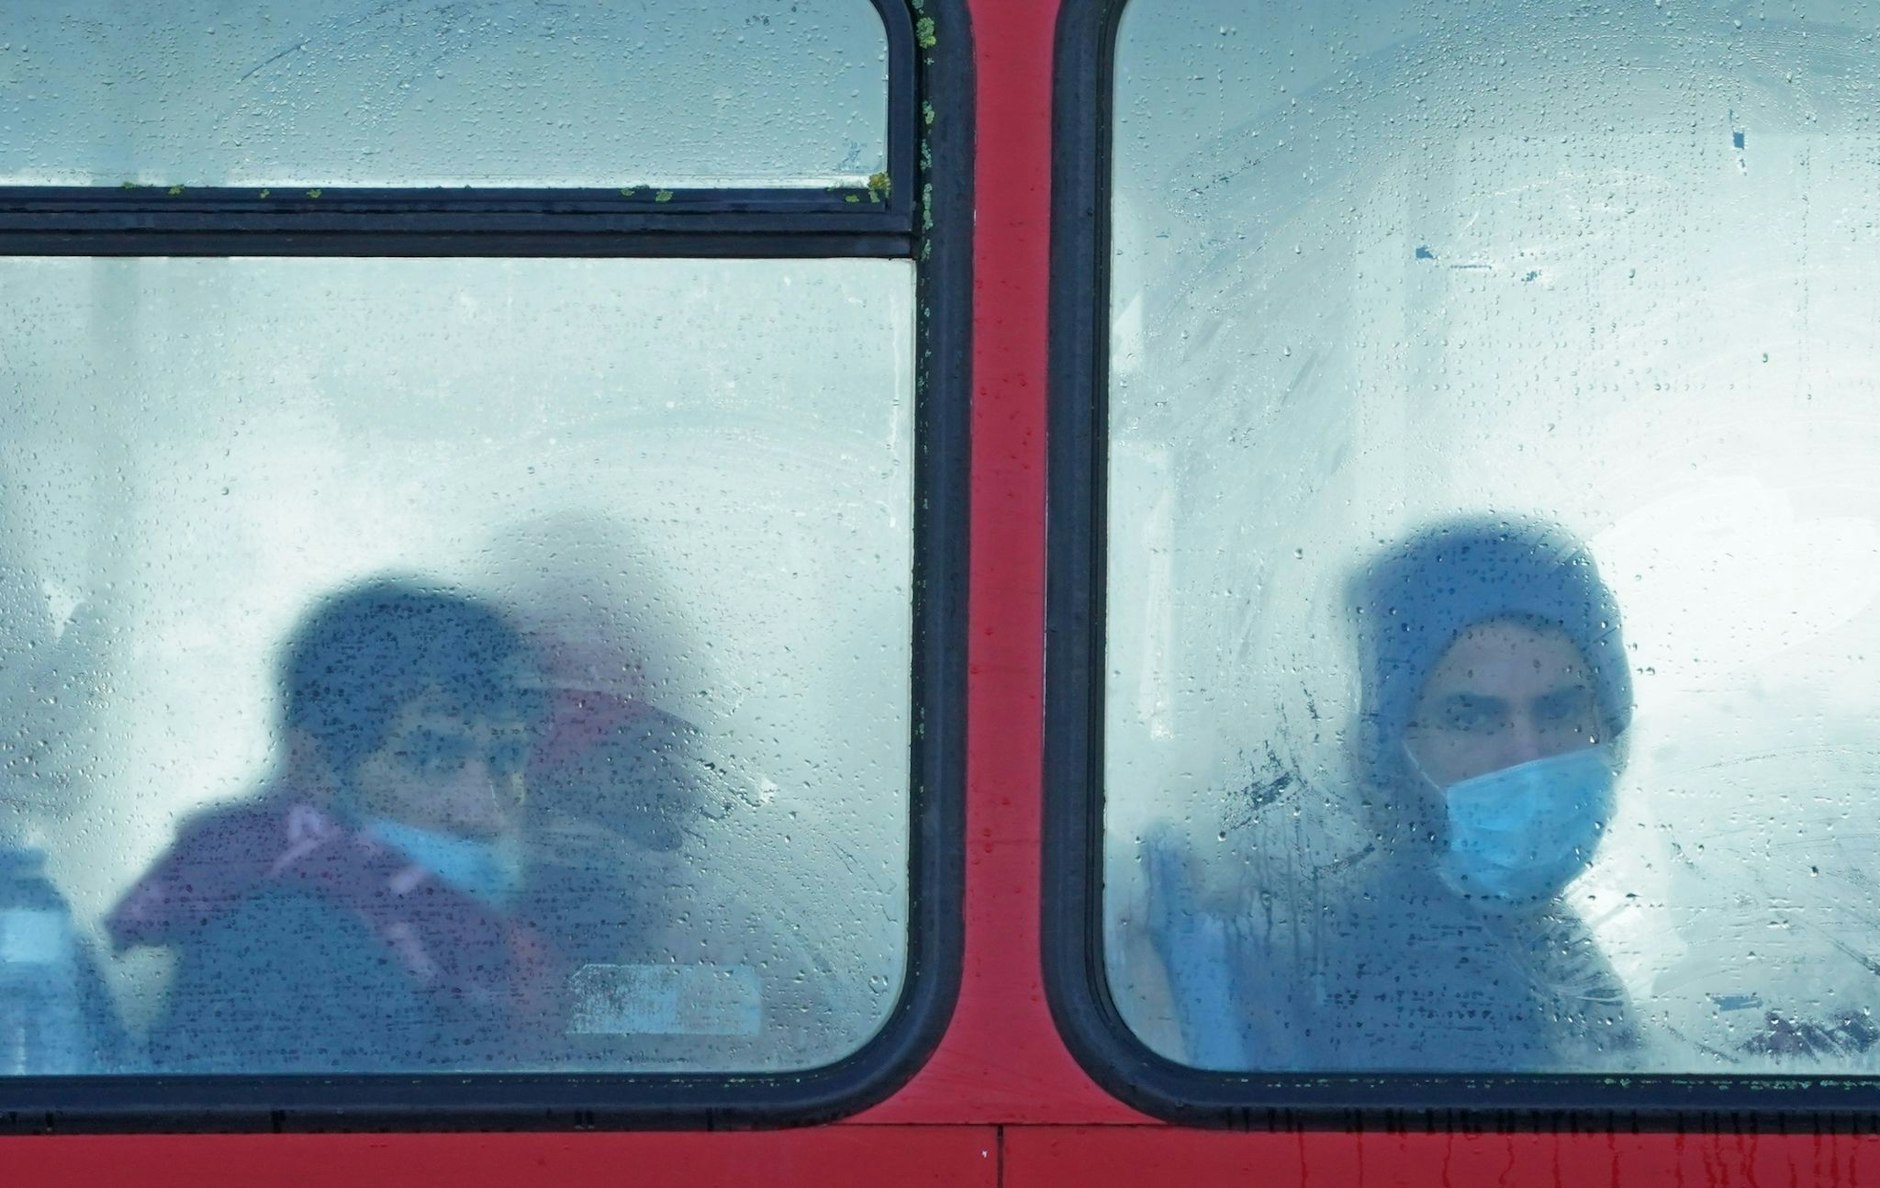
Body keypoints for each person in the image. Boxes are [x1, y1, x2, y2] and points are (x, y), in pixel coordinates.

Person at [1144, 517, 1638, 1071]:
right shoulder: (1420, 970)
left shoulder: (1520, 923)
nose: (1527, 755)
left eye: (1560, 710)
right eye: (1470, 718)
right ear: (1393, 750)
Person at [108, 580, 562, 1073]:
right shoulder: (289, 946)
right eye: (433, 756)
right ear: (316, 770)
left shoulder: (460, 943)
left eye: (507, 757)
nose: (484, 814)